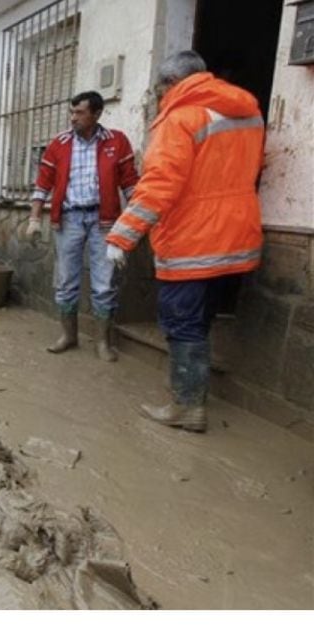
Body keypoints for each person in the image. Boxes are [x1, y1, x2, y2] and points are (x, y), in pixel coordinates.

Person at [105, 51, 265, 432]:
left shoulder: (180, 118)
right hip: (238, 234)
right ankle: (192, 397)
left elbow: (160, 184)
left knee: (181, 322)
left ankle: (187, 407)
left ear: (168, 84)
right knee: (202, 318)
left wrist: (122, 237)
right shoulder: (249, 112)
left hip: (194, 240)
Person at [27, 91, 139, 361]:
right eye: (72, 112)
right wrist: (34, 219)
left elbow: (131, 185)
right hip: (69, 219)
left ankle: (103, 342)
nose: (73, 117)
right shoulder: (60, 144)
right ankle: (69, 335)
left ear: (97, 114)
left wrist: (134, 223)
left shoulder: (117, 142)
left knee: (104, 284)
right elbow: (43, 184)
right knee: (66, 281)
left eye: (80, 113)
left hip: (106, 220)